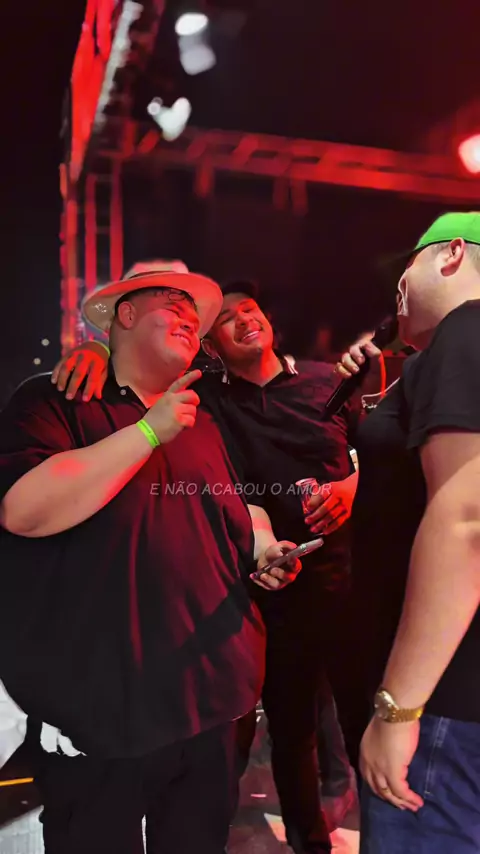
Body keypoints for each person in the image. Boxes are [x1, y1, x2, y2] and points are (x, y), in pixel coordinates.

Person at [0, 261, 302, 854]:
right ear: (126, 314)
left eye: (196, 315)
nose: (190, 318)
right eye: (172, 303)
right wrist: (145, 433)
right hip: (101, 712)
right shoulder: (56, 400)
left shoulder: (202, 420)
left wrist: (264, 547)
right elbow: (23, 510)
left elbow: (237, 506)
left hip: (214, 700)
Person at [53, 274, 361, 853]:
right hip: (255, 594)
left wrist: (350, 486)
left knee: (352, 721)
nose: (245, 319)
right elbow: (141, 355)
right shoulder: (210, 399)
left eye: (252, 309)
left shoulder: (326, 380)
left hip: (341, 586)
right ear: (209, 345)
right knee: (263, 732)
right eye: (226, 318)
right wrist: (94, 348)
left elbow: (371, 452)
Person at [337, 211, 480, 853]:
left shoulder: (468, 328)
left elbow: (467, 522)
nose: (399, 283)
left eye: (410, 264)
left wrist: (399, 709)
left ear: (452, 254)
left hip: (444, 707)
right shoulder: (441, 354)